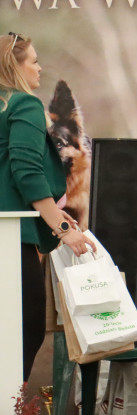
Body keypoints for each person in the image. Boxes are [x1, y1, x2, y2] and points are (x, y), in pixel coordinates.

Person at [0, 32, 95, 381]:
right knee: (24, 331)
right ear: (16, 66)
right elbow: (26, 172)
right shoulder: (23, 105)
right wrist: (64, 229)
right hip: (9, 237)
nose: (40, 68)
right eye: (34, 61)